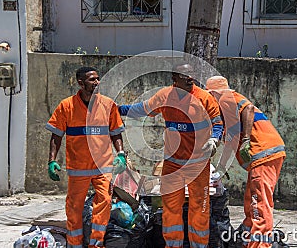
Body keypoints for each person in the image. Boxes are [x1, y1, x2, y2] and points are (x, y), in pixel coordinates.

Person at [118, 63, 223, 248]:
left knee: (200, 208)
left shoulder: (204, 98)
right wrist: (117, 109)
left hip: (198, 165)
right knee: (171, 209)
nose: (190, 77)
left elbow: (218, 123)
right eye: (184, 75)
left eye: (191, 74)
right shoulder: (165, 96)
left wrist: (214, 139)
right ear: (174, 79)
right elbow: (142, 109)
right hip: (173, 165)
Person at [46, 66, 126, 248]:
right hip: (78, 167)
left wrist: (120, 154)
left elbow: (116, 133)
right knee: (74, 207)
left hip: (102, 166)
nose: (97, 83)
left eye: (98, 79)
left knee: (104, 202)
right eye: (92, 80)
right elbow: (56, 136)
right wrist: (52, 161)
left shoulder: (108, 105)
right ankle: (74, 243)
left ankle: (96, 244)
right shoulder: (66, 106)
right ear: (80, 83)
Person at [206, 76, 286, 248]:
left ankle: (260, 245)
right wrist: (221, 166)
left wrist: (247, 140)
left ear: (213, 94)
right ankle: (246, 240)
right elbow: (231, 142)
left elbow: (248, 108)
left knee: (259, 204)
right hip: (265, 154)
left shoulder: (227, 99)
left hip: (263, 153)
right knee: (251, 202)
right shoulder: (227, 113)